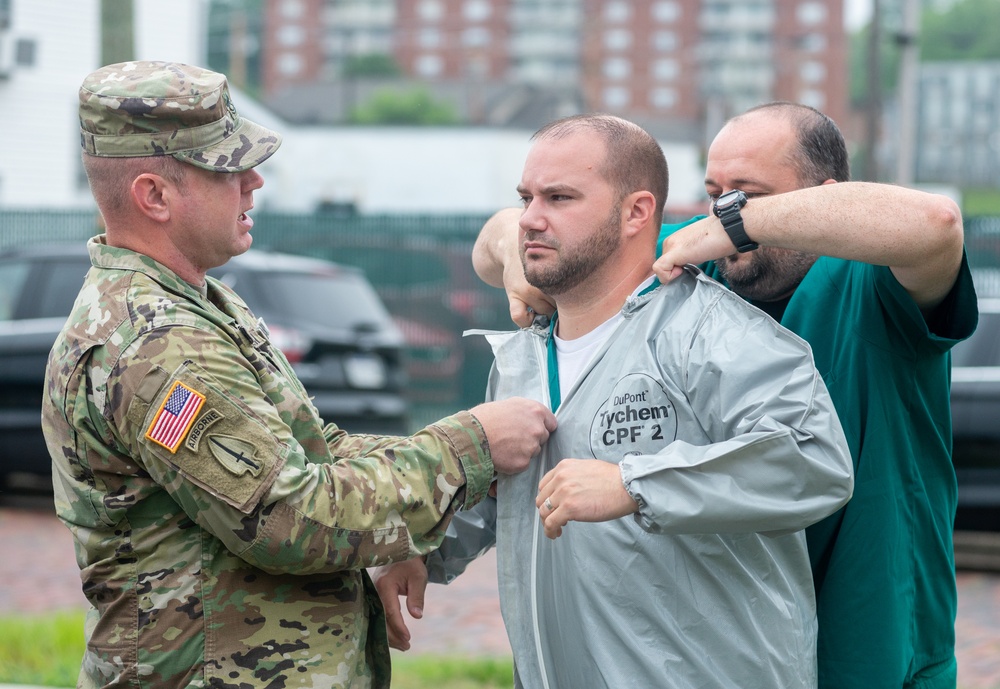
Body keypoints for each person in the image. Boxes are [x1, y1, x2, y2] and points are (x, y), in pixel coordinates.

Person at [41, 61, 556, 689]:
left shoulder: (196, 304)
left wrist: (450, 484)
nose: (254, 181)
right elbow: (289, 519)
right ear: (154, 196)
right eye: (227, 169)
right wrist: (468, 448)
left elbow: (313, 453)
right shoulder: (158, 344)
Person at [467, 103, 979, 688]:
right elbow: (506, 237)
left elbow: (937, 223)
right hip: (743, 642)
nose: (725, 212)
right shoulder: (702, 271)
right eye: (715, 193)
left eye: (747, 194)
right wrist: (516, 248)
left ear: (821, 197)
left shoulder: (873, 280)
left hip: (874, 644)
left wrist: (740, 223)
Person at [375, 114, 854, 688]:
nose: (530, 219)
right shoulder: (522, 359)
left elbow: (815, 460)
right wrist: (420, 545)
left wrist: (634, 484)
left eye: (560, 197)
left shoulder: (712, 332)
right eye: (526, 198)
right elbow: (518, 495)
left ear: (636, 212)